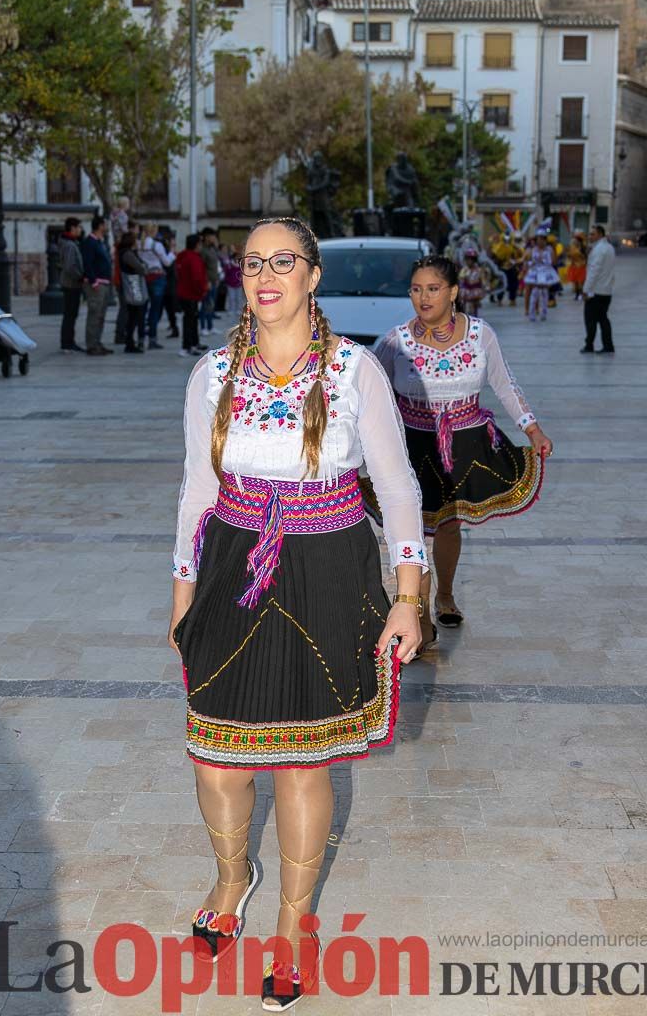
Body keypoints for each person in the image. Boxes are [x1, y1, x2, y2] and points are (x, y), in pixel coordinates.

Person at [168, 216, 426, 1005]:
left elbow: (401, 485)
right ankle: (231, 877)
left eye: (284, 261)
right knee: (215, 756)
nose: (266, 274)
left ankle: (291, 923)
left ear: (312, 276)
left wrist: (409, 596)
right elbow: (196, 489)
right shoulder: (212, 374)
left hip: (329, 568)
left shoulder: (356, 371)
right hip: (230, 569)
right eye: (252, 262)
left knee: (304, 762)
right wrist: (180, 595)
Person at [367, 255, 552, 632]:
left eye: (432, 289)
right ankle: (418, 616)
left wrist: (532, 429)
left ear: (452, 292)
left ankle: (445, 595)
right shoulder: (394, 342)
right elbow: (369, 394)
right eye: (416, 289)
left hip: (464, 445)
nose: (423, 297)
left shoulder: (481, 335)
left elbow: (504, 383)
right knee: (413, 528)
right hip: (411, 446)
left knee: (449, 525)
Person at [80, 215, 114, 357]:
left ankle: (97, 342)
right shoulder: (90, 242)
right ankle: (91, 345)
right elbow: (87, 263)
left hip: (104, 284)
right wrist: (93, 281)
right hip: (96, 285)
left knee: (101, 316)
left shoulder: (100, 242)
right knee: (94, 315)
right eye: (105, 224)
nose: (107, 227)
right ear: (100, 226)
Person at [581, 224, 616, 354]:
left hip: (596, 291)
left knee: (590, 320)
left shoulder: (599, 250)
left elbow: (594, 271)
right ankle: (608, 345)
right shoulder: (609, 248)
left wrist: (585, 289)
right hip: (606, 290)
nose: (590, 236)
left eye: (593, 234)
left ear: (600, 235)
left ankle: (589, 344)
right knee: (603, 319)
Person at [141, 224, 175, 349]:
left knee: (143, 309)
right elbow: (167, 262)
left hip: (145, 276)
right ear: (154, 231)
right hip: (157, 277)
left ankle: (140, 339)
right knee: (154, 310)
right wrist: (171, 251)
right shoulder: (157, 245)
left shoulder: (140, 244)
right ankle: (152, 339)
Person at [176, 233, 209, 358]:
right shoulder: (194, 258)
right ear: (197, 244)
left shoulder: (182, 256)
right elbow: (197, 278)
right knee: (190, 320)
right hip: (191, 294)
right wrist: (202, 290)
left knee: (192, 319)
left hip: (184, 292)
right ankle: (187, 346)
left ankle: (194, 343)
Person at [117, 230, 148, 354]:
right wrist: (144, 268)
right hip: (134, 286)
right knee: (136, 315)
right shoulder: (128, 254)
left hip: (132, 286)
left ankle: (131, 341)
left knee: (134, 316)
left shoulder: (127, 252)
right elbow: (140, 267)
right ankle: (132, 342)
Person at [58, 217, 85, 353]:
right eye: (79, 227)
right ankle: (67, 343)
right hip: (71, 284)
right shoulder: (69, 245)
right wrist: (80, 276)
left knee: (71, 314)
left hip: (72, 283)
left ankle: (69, 341)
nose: (81, 230)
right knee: (70, 314)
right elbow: (70, 266)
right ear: (73, 228)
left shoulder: (71, 242)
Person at [523, 230, 560, 322]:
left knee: (544, 293)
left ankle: (543, 312)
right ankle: (532, 313)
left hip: (546, 272)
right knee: (534, 293)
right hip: (535, 272)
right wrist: (530, 264)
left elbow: (554, 262)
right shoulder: (533, 249)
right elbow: (528, 261)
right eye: (538, 239)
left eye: (542, 239)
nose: (540, 241)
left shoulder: (550, 249)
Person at [198, 227, 221, 336]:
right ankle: (203, 327)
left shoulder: (212, 249)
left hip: (214, 281)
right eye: (212, 236)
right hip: (208, 282)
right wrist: (206, 281)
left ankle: (210, 326)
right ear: (207, 237)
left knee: (211, 305)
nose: (214, 238)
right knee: (205, 305)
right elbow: (201, 268)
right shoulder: (203, 250)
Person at [458, 245, 487, 317]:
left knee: (474, 305)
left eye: (471, 259)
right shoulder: (464, 269)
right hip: (466, 290)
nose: (469, 261)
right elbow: (461, 279)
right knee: (464, 306)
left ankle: (474, 315)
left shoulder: (479, 270)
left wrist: (485, 287)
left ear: (474, 260)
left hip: (475, 290)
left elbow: (483, 280)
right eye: (468, 259)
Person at [567, 232, 588, 301]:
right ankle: (577, 295)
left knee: (580, 282)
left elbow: (585, 257)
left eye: (576, 240)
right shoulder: (573, 247)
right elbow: (569, 255)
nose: (575, 241)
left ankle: (581, 294)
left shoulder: (583, 247)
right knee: (575, 282)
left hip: (581, 266)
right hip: (574, 266)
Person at [223, 247, 244, 316]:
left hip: (238, 284)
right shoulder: (229, 264)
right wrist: (227, 281)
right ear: (234, 257)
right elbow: (226, 273)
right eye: (237, 257)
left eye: (239, 257)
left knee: (239, 298)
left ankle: (238, 309)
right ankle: (231, 309)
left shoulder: (241, 265)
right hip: (230, 284)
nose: (238, 258)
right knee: (231, 298)